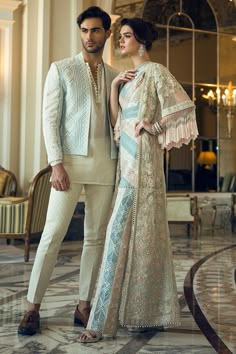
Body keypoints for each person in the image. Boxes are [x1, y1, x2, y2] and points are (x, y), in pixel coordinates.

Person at [78, 17, 198, 343]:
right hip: (126, 163)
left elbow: (183, 106)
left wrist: (154, 126)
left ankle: (101, 322)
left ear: (141, 41)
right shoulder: (127, 79)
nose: (121, 41)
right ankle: (137, 313)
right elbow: (118, 125)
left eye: (127, 36)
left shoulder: (156, 71)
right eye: (120, 36)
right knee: (133, 234)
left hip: (144, 163)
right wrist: (116, 87)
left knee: (126, 232)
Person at [18, 6, 118, 335]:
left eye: (95, 31)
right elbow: (50, 120)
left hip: (106, 163)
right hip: (70, 165)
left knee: (95, 239)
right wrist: (56, 163)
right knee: (52, 235)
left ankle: (84, 305)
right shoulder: (61, 69)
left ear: (106, 33)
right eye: (85, 31)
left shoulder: (115, 76)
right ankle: (32, 307)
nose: (89, 36)